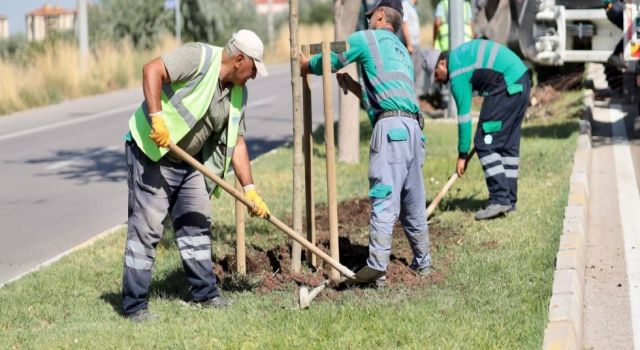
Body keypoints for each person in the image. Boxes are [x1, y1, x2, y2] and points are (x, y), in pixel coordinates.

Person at [121, 29, 270, 322]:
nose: (253, 76)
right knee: (147, 229)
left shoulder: (239, 93)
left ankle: (205, 294)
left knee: (197, 223)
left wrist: (250, 188)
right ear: (240, 60)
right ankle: (134, 306)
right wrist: (156, 118)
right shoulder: (199, 57)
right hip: (153, 152)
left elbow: (237, 141)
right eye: (253, 69)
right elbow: (151, 70)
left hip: (189, 162)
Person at [300, 0, 431, 286]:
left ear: (381, 15)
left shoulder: (366, 38)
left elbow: (331, 59)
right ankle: (424, 264)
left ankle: (377, 272)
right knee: (413, 203)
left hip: (391, 132)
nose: (368, 20)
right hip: (414, 131)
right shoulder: (401, 52)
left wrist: (306, 65)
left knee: (383, 198)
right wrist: (354, 87)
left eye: (371, 16)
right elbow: (387, 98)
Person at [423, 39, 531, 220]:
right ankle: (509, 200)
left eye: (436, 74)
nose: (437, 80)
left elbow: (464, 118)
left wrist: (462, 154)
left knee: (484, 142)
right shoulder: (460, 58)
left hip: (507, 83)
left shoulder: (457, 73)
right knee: (507, 144)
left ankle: (499, 199)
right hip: (521, 79)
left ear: (442, 63)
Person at [401, 0, 425, 96]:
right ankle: (408, 96)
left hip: (416, 44)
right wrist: (409, 44)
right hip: (410, 45)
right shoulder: (405, 5)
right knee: (410, 72)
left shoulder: (413, 7)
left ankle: (414, 96)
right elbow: (404, 25)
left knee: (417, 71)